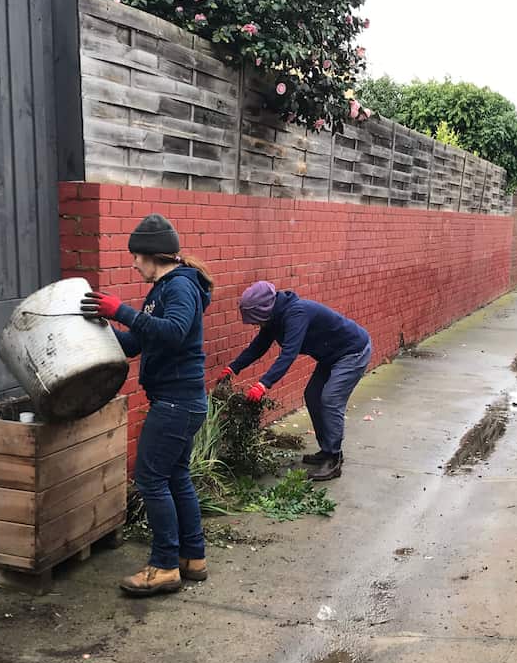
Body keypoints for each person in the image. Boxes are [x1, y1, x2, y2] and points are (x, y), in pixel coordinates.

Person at [81, 214, 213, 597]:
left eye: (136, 257)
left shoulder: (180, 286)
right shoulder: (164, 289)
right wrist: (103, 328)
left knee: (151, 479)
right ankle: (192, 558)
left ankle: (165, 566)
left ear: (152, 255)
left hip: (175, 403)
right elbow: (139, 343)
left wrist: (120, 310)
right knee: (175, 477)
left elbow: (173, 333)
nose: (134, 264)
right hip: (181, 401)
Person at [217, 282, 371, 482]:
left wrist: (264, 384)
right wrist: (233, 368)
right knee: (312, 396)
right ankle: (326, 450)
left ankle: (334, 458)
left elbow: (289, 353)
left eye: (256, 320)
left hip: (353, 352)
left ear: (264, 311)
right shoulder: (274, 319)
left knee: (330, 399)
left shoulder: (296, 314)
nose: (256, 325)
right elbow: (258, 347)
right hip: (331, 355)